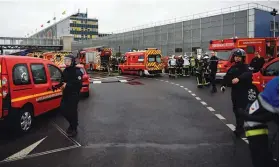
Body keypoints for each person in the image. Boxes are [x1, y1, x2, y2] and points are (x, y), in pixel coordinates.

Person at [240, 76, 279, 167]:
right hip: (254, 126)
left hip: (256, 119)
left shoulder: (276, 81)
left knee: (265, 155)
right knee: (260, 158)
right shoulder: (276, 86)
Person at [220, 48, 252, 136]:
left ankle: (240, 128)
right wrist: (223, 85)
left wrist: (239, 78)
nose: (237, 58)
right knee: (235, 110)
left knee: (240, 110)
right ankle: (240, 125)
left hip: (243, 91)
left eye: (239, 57)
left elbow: (249, 74)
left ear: (243, 58)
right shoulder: (233, 67)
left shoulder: (246, 67)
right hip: (234, 92)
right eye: (236, 57)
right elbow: (227, 77)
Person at [53, 54, 83, 137]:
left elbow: (79, 85)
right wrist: (56, 86)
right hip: (66, 94)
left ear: (72, 62)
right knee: (63, 110)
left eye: (68, 60)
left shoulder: (77, 71)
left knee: (72, 112)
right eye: (65, 60)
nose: (66, 62)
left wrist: (68, 85)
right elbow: (63, 81)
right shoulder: (65, 71)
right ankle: (72, 124)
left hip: (74, 95)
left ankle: (74, 129)